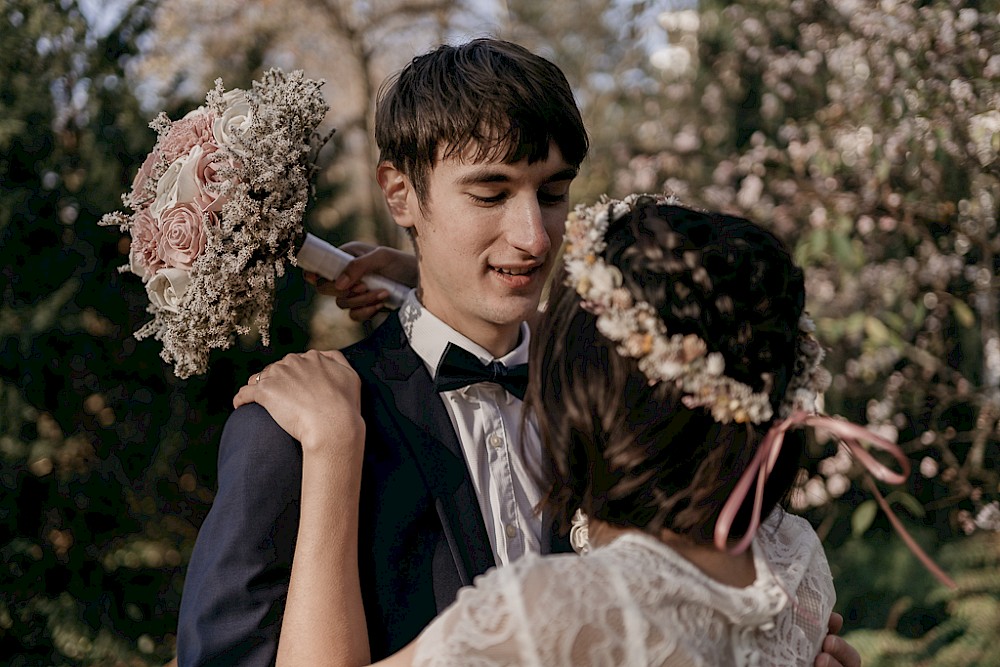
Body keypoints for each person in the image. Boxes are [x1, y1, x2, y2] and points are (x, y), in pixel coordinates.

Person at [177, 38, 859, 666]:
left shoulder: (623, 402)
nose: (534, 236)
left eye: (554, 192)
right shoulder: (294, 430)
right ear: (399, 192)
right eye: (491, 192)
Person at [239, 194, 869, 665]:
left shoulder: (548, 613)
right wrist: (431, 281)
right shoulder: (793, 560)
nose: (534, 241)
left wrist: (332, 447)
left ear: (587, 391)